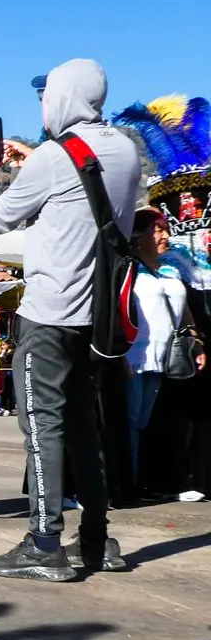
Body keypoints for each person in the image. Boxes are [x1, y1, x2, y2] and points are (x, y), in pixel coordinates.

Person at [0, 59, 141, 579]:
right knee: (83, 428)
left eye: (47, 95)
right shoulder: (125, 151)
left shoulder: (53, 157)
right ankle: (97, 539)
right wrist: (42, 161)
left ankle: (45, 543)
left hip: (49, 315)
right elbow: (79, 195)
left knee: (41, 424)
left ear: (63, 98)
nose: (43, 105)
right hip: (96, 319)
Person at [125, 208, 205, 489]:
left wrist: (195, 342)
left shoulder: (171, 269)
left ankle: (141, 478)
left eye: (164, 229)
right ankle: (129, 481)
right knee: (132, 420)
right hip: (134, 356)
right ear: (137, 236)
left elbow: (184, 313)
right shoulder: (128, 269)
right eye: (156, 230)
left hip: (164, 356)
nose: (164, 236)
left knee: (144, 420)